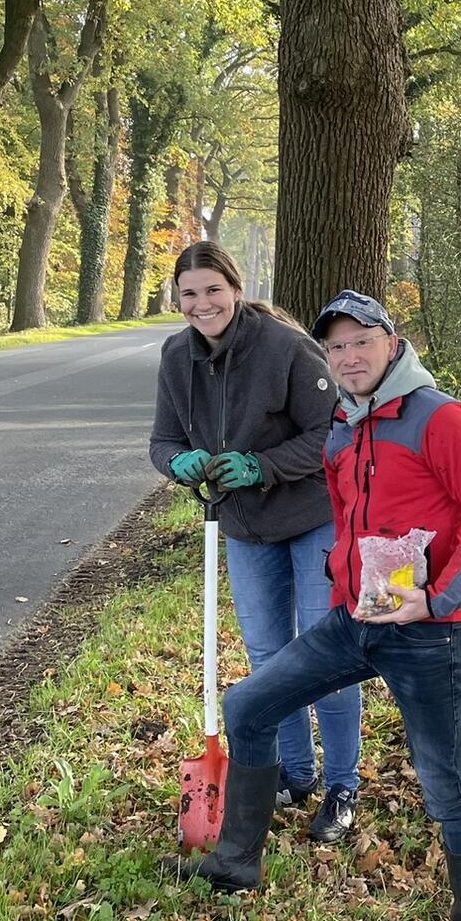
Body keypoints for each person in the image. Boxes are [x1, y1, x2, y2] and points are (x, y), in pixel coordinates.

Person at [173, 289, 461, 921]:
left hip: (431, 635)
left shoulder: (437, 417)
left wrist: (440, 597)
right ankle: (237, 861)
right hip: (354, 621)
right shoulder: (343, 422)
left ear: (393, 343)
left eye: (362, 341)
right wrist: (342, 586)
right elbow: (344, 508)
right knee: (248, 706)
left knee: (443, 783)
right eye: (336, 347)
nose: (349, 356)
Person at [150, 242, 364, 845]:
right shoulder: (175, 357)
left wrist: (261, 466)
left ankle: (341, 785)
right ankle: (295, 775)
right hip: (244, 528)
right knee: (271, 660)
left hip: (313, 514)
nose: (201, 304)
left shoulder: (285, 348)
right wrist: (180, 463)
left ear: (236, 290)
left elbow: (333, 432)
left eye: (212, 290)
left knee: (328, 656)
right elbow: (161, 441)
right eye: (189, 293)